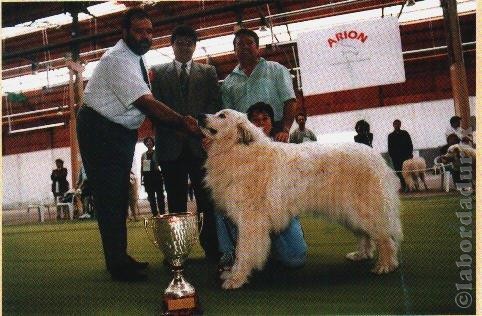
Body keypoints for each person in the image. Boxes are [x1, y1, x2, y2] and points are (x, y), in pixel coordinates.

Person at [77, 8, 202, 282]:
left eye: (149, 31)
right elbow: (145, 103)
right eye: (139, 31)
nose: (145, 36)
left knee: (118, 196)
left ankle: (119, 257)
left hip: (117, 131)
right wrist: (182, 122)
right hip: (101, 129)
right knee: (110, 198)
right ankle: (117, 265)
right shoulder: (118, 60)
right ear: (125, 32)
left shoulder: (135, 58)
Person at [151, 24, 221, 261]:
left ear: (194, 46)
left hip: (200, 147)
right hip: (171, 147)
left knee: (206, 202)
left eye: (189, 43)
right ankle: (177, 252)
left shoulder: (209, 72)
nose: (184, 47)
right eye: (179, 42)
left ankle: (213, 250)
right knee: (176, 203)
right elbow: (154, 109)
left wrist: (195, 132)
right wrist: (178, 127)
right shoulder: (158, 73)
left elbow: (214, 108)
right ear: (172, 46)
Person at [216, 102, 307, 271]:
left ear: (272, 123)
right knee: (223, 206)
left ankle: (269, 249)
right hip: (249, 216)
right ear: (247, 126)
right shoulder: (232, 150)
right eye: (255, 120)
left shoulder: (284, 148)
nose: (260, 123)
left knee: (295, 259)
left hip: (281, 215)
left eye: (265, 118)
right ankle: (230, 253)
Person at [221, 28, 297, 143]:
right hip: (245, 138)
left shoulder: (277, 69)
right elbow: (229, 116)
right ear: (234, 50)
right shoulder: (228, 82)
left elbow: (290, 101)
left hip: (276, 133)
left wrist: (285, 130)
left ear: (257, 48)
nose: (245, 46)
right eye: (240, 44)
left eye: (249, 43)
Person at [140, 136, 165, 216]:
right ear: (145, 144)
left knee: (160, 195)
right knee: (151, 197)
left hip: (157, 175)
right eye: (147, 142)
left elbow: (161, 164)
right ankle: (154, 213)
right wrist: (141, 179)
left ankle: (162, 212)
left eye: (150, 141)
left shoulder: (157, 152)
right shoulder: (144, 155)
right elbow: (143, 167)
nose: (148, 143)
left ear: (153, 143)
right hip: (147, 177)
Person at [388, 119, 413, 192]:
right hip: (396, 158)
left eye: (398, 124)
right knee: (398, 172)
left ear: (400, 125)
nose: (396, 126)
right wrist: (392, 156)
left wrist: (410, 154)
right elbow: (390, 147)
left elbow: (410, 144)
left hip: (405, 157)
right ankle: (403, 185)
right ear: (393, 125)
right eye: (395, 124)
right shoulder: (390, 136)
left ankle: (408, 186)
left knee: (406, 172)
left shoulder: (405, 133)